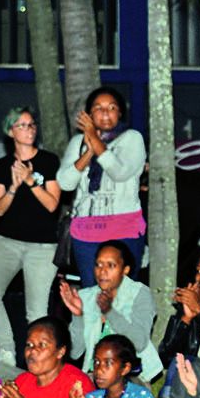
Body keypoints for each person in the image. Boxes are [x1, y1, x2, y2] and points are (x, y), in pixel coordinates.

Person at [0, 106, 64, 365]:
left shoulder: (48, 161)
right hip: (7, 242)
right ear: (11, 132)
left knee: (37, 310)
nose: (29, 130)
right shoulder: (1, 165)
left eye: (31, 125)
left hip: (42, 246)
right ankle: (7, 349)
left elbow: (53, 204)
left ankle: (40, 361)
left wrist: (31, 182)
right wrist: (13, 187)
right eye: (22, 125)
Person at [56, 87, 146, 286]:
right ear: (88, 114)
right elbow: (65, 183)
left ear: (120, 113)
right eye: (98, 108)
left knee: (124, 294)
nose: (105, 113)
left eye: (112, 107)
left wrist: (95, 140)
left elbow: (119, 172)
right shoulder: (78, 142)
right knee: (91, 294)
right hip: (87, 231)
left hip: (124, 229)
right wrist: (88, 151)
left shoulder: (132, 138)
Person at [59, 239, 160, 382]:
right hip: (95, 376)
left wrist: (109, 312)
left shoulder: (140, 294)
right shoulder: (86, 296)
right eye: (98, 265)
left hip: (131, 376)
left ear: (125, 270)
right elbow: (75, 352)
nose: (102, 271)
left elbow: (139, 343)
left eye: (111, 265)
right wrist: (78, 316)